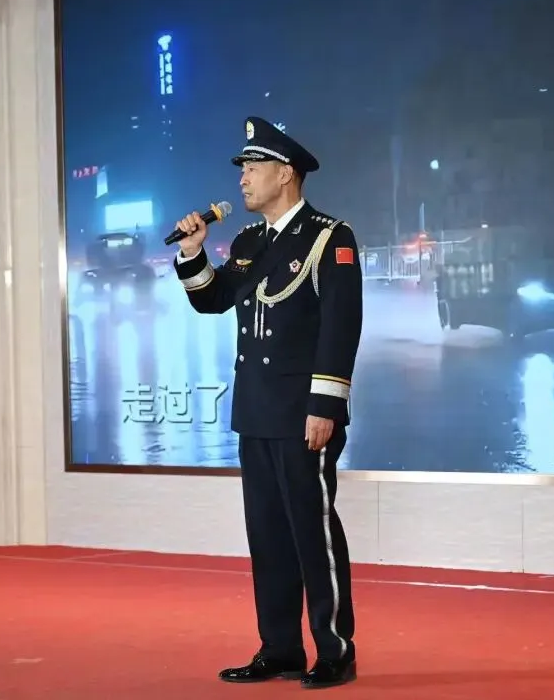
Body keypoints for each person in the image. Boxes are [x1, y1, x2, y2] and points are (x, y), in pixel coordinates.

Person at [172, 116, 363, 690]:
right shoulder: (250, 242)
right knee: (268, 536)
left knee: (312, 532)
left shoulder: (330, 237)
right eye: (243, 168)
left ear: (286, 173)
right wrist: (192, 254)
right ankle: (279, 648)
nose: (243, 178)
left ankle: (335, 649)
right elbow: (214, 301)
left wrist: (325, 405)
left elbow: (341, 327)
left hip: (303, 412)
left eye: (253, 167)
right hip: (256, 410)